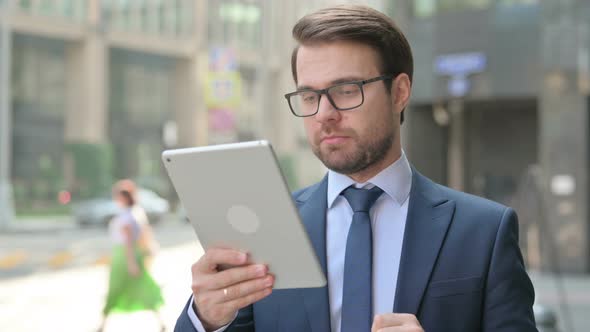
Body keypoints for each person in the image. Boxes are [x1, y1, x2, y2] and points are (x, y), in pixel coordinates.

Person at [175, 4, 537, 332]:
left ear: (399, 92)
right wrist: (206, 319)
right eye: (309, 96)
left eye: (346, 90)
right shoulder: (268, 229)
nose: (324, 114)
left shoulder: (484, 233)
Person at [99, 179, 165, 332]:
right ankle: (102, 324)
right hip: (125, 255)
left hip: (125, 257)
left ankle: (102, 324)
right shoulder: (134, 212)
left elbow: (129, 242)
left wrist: (131, 263)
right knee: (139, 288)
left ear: (124, 197)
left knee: (121, 288)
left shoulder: (128, 216)